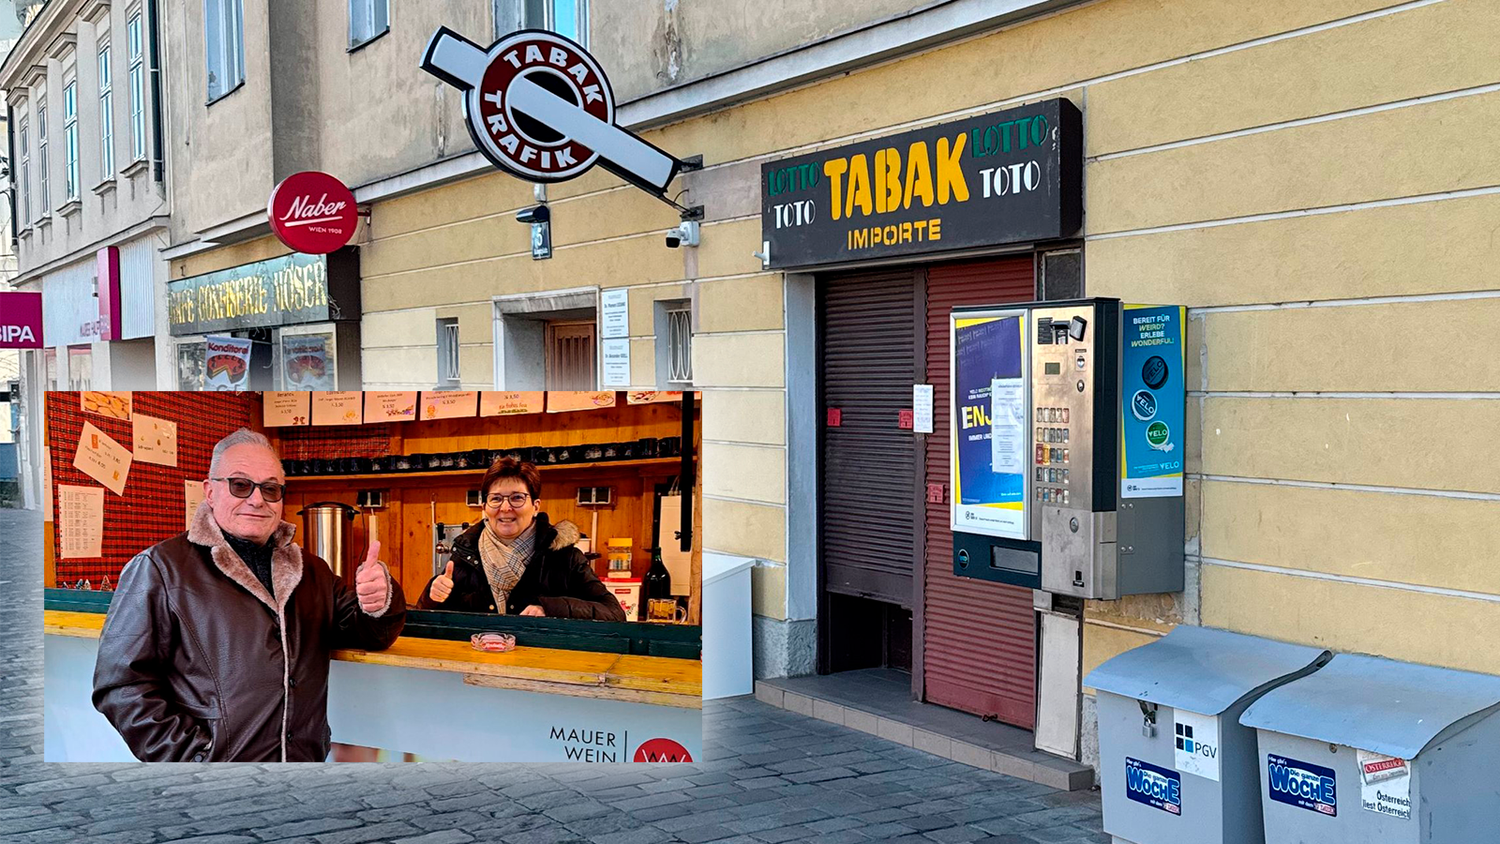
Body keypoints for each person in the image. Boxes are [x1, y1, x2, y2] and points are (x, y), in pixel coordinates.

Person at [92, 428, 405, 762]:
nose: (257, 500)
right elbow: (121, 686)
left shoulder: (312, 572)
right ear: (210, 492)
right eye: (240, 485)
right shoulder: (160, 568)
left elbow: (373, 633)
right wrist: (194, 758)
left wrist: (379, 599)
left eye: (270, 489)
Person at [418, 457, 625, 620]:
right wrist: (432, 596)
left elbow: (614, 613)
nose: (505, 508)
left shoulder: (565, 558)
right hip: (479, 663)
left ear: (536, 506)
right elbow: (426, 616)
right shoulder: (465, 555)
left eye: (517, 498)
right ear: (484, 508)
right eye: (496, 499)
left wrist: (549, 608)